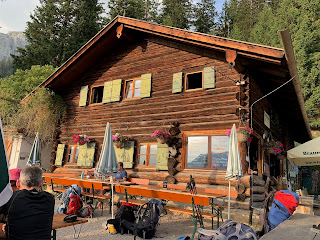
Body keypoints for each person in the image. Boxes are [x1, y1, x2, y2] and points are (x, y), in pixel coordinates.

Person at [1, 166, 54, 240]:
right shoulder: (50, 199)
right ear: (41, 184)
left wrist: (7, 227)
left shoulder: (12, 198)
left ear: (18, 183)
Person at [0, 168, 22, 239]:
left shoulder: (25, 202)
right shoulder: (2, 199)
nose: (12, 188)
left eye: (14, 185)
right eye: (10, 184)